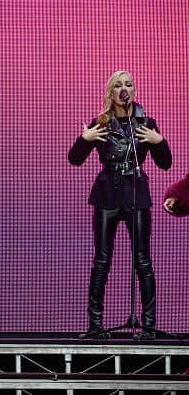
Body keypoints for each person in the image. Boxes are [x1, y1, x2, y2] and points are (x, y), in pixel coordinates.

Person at [68, 70, 172, 340]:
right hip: (107, 194)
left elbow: (165, 163)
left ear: (133, 90)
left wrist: (160, 143)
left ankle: (148, 326)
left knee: (142, 260)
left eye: (128, 84)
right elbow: (74, 159)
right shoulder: (101, 122)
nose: (124, 89)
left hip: (136, 192)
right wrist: (84, 140)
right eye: (118, 85)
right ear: (111, 92)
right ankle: (96, 326)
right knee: (102, 260)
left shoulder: (146, 122)